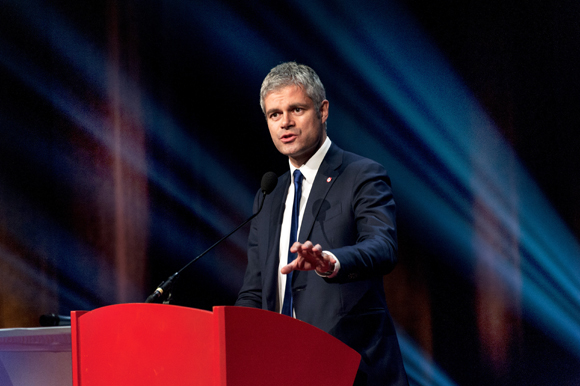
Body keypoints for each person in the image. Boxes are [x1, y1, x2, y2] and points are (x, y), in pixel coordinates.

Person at [235, 62, 408, 386]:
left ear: (323, 110)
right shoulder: (269, 195)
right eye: (274, 114)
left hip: (352, 368)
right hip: (283, 371)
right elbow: (255, 291)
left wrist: (332, 261)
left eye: (296, 109)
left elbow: (383, 246)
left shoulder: (362, 175)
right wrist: (237, 340)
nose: (285, 122)